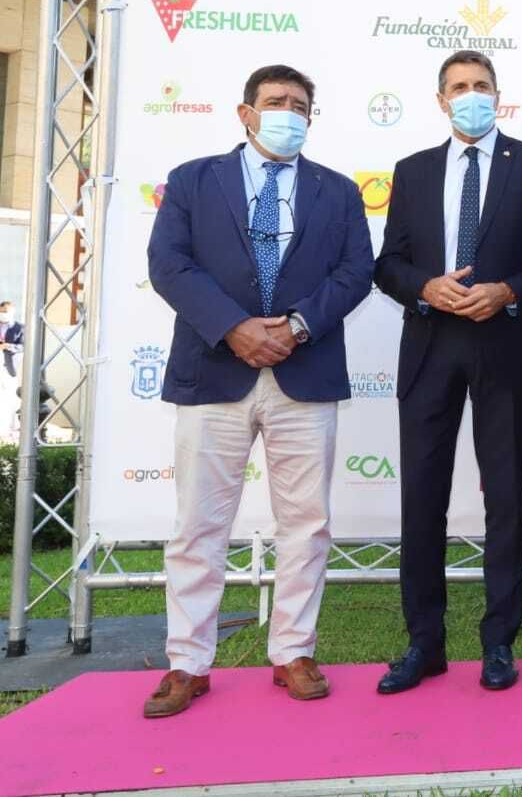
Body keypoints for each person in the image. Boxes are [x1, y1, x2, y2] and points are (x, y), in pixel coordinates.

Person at [143, 64, 374, 718]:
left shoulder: (338, 190)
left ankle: (294, 651)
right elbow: (170, 265)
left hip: (305, 372)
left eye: (301, 105)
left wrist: (297, 326)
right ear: (245, 113)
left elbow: (357, 269)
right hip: (215, 370)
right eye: (276, 102)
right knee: (198, 526)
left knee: (306, 524)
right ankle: (187, 662)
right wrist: (235, 328)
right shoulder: (194, 180)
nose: (289, 113)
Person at [373, 50, 522, 694]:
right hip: (430, 346)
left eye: (482, 86)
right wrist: (424, 286)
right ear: (440, 100)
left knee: (505, 498)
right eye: (459, 87)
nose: (471, 96)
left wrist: (507, 290)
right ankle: (424, 643)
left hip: (504, 347)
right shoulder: (413, 170)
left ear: (499, 96)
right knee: (420, 499)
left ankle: (499, 643)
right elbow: (388, 264)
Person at [0, 301, 21, 378]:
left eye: (7, 312)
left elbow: (24, 347)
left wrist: (7, 346)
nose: (4, 314)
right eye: (2, 312)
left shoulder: (20, 328)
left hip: (9, 368)